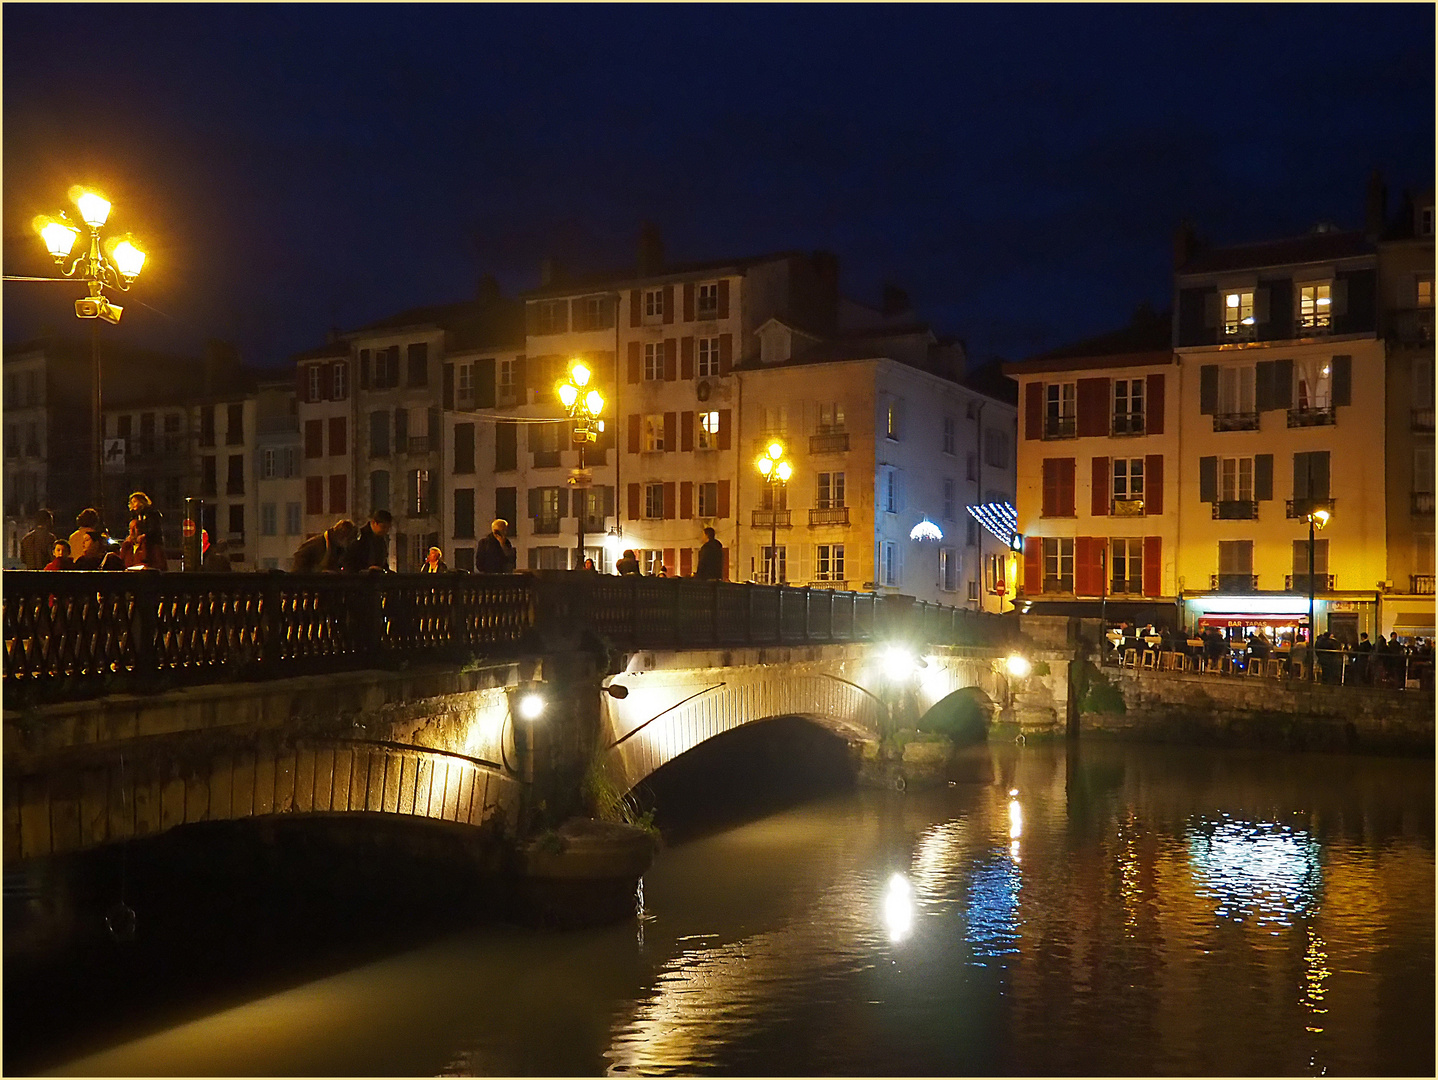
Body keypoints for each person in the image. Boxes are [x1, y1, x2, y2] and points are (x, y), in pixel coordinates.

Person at [291, 519, 356, 573]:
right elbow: (298, 568)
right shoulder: (317, 545)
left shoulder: (336, 548)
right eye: (348, 539)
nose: (349, 543)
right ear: (342, 535)